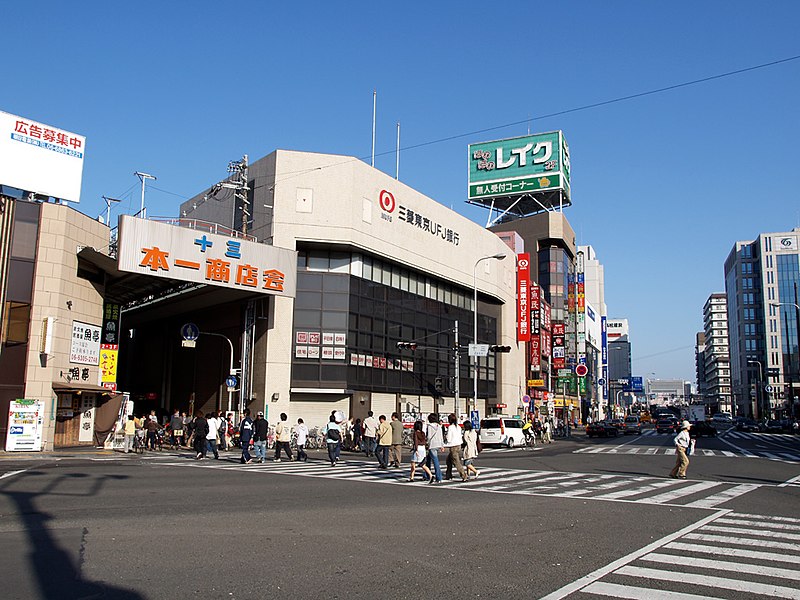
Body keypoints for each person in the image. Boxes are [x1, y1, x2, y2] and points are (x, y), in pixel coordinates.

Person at [443, 413, 467, 482]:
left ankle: (463, 475)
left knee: (456, 462)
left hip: (453, 446)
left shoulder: (450, 427)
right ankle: (448, 475)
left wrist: (446, 438)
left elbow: (449, 438)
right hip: (459, 445)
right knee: (448, 460)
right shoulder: (458, 427)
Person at [425, 413, 444, 484]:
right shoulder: (439, 426)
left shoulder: (429, 426)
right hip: (438, 444)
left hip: (432, 444)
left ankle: (438, 477)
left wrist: (427, 443)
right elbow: (441, 436)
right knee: (428, 460)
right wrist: (442, 445)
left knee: (435, 461)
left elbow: (429, 436)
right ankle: (426, 474)